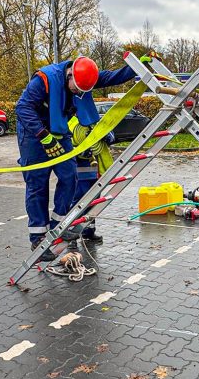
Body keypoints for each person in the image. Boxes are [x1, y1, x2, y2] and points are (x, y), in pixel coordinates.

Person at [15, 55, 137, 258]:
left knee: (70, 176)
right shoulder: (44, 79)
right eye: (76, 89)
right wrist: (44, 136)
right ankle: (38, 238)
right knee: (37, 184)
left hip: (59, 131)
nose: (79, 93)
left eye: (83, 91)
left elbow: (112, 77)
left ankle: (60, 224)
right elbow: (22, 108)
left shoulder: (84, 76)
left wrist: (136, 67)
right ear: (69, 75)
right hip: (33, 135)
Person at [68, 113, 116, 245]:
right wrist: (80, 151)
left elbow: (111, 138)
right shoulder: (70, 123)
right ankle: (71, 234)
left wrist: (106, 135)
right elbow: (65, 145)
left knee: (93, 202)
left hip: (96, 170)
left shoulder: (96, 121)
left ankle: (88, 231)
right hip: (79, 169)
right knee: (77, 202)